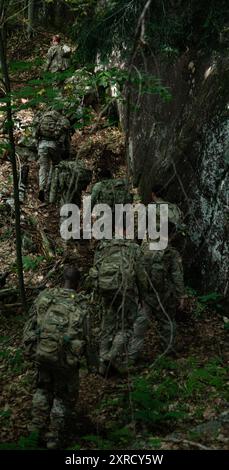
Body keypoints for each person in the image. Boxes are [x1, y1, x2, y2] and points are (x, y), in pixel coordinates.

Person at [23, 266, 95, 449]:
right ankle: (53, 437)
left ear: (62, 279)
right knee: (62, 397)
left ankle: (35, 430)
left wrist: (30, 349)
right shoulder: (81, 304)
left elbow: (30, 325)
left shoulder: (46, 298)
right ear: (78, 283)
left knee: (42, 389)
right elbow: (88, 338)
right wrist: (93, 363)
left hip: (43, 353)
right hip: (66, 361)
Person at [89, 221, 148, 376]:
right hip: (125, 290)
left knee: (107, 325)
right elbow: (141, 275)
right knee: (126, 326)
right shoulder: (133, 248)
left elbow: (95, 267)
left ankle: (102, 363)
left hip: (105, 288)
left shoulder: (103, 246)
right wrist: (142, 295)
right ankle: (111, 356)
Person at [141, 222, 186, 355]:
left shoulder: (145, 247)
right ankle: (168, 349)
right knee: (166, 321)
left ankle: (131, 353)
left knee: (140, 322)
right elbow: (177, 276)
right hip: (163, 294)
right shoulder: (171, 253)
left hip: (145, 293)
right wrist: (181, 296)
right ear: (171, 235)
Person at [33, 108, 71, 202]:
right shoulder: (63, 120)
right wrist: (67, 150)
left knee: (43, 167)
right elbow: (65, 139)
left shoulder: (44, 116)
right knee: (55, 166)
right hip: (54, 146)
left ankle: (42, 187)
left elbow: (36, 133)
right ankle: (49, 190)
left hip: (42, 144)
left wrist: (37, 145)